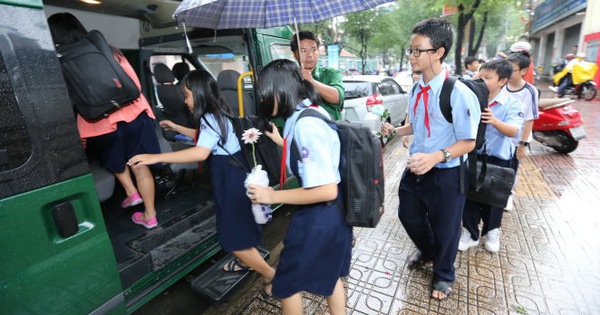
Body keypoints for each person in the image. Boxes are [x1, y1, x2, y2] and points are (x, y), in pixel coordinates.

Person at [127, 70, 276, 290]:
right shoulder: (219, 112)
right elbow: (205, 136)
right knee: (241, 225)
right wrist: (177, 127)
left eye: (187, 95)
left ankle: (271, 275)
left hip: (230, 179)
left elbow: (200, 153)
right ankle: (247, 261)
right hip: (235, 175)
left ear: (197, 93)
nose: (185, 101)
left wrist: (153, 157)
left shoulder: (209, 117)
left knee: (232, 237)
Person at [381, 18, 480, 301]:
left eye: (417, 51)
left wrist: (437, 156)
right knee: (407, 215)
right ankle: (428, 250)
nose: (411, 56)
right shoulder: (416, 89)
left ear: (438, 52)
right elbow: (418, 125)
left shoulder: (458, 93)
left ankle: (444, 274)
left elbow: (469, 142)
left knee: (446, 227)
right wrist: (397, 130)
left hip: (447, 172)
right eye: (410, 51)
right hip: (416, 167)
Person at [247, 59, 352, 314]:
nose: (262, 98)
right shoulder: (307, 112)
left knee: (286, 282)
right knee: (330, 276)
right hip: (333, 214)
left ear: (280, 89)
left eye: (265, 92)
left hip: (320, 215)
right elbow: (313, 158)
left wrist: (271, 195)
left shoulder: (306, 124)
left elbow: (327, 189)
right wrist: (282, 142)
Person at [48, 13, 161, 229]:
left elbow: (68, 101)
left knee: (113, 159)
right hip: (135, 114)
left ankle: (130, 192)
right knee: (141, 165)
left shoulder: (57, 61)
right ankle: (150, 215)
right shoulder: (108, 50)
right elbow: (134, 84)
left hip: (99, 123)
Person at [458, 59, 524, 253]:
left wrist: (494, 121)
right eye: (481, 75)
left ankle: (493, 231)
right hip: (472, 155)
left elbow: (513, 131)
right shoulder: (472, 98)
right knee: (470, 195)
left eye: (488, 77)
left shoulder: (512, 104)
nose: (482, 80)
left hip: (499, 158)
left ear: (502, 81)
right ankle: (470, 233)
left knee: (495, 198)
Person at [504, 51, 539, 211]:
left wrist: (522, 144)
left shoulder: (529, 91)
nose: (508, 71)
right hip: (499, 136)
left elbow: (529, 119)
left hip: (516, 139)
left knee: (512, 167)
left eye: (512, 69)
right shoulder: (502, 84)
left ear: (523, 71)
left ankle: (508, 194)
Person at [291, 31, 344, 120]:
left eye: (313, 50)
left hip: (330, 131)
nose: (310, 55)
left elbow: (337, 98)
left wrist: (311, 80)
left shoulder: (331, 74)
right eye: (303, 50)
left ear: (318, 51)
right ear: (294, 54)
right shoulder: (289, 78)